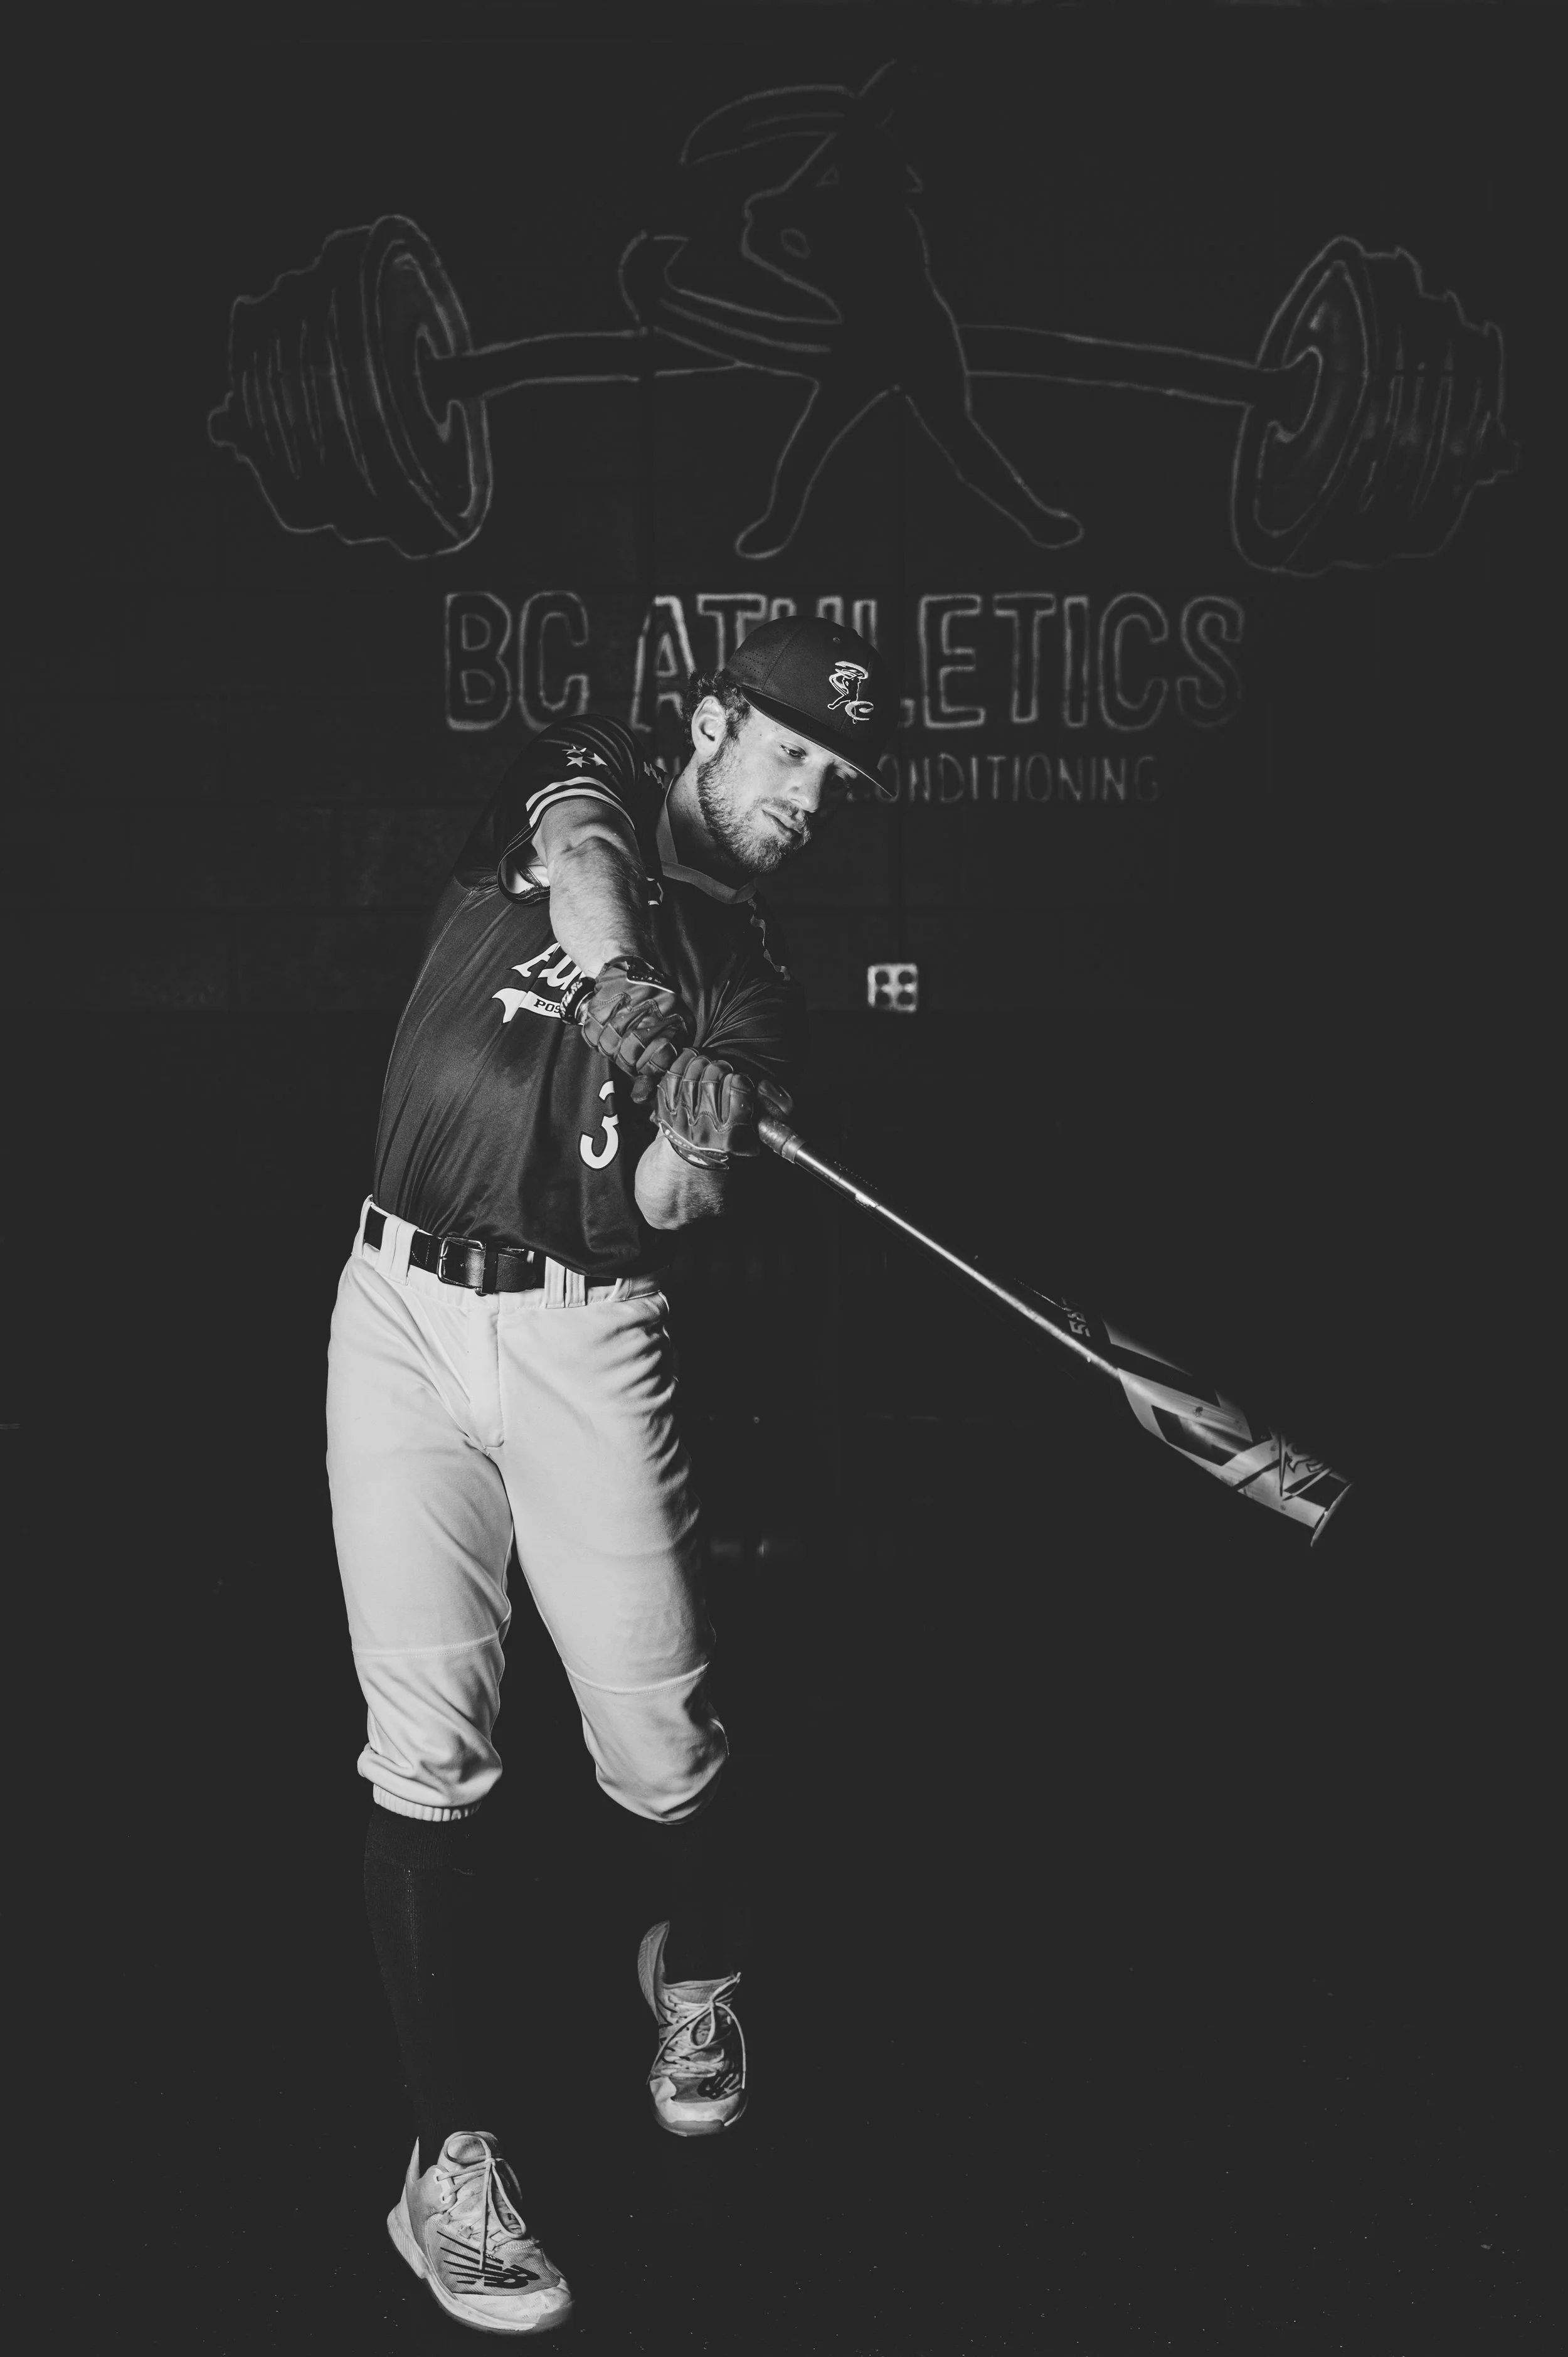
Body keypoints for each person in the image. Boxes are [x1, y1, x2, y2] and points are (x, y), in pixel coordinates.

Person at [325, 614, 899, 2332]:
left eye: (838, 779)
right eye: (790, 754)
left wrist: (692, 1131)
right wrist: (632, 999)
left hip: (587, 1333)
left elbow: (666, 1206)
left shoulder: (760, 981)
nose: (810, 799)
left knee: (660, 1740)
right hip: (399, 1310)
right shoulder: (577, 786)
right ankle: (448, 2165)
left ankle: (697, 1969)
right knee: (423, 1754)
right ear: (711, 725)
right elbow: (582, 863)